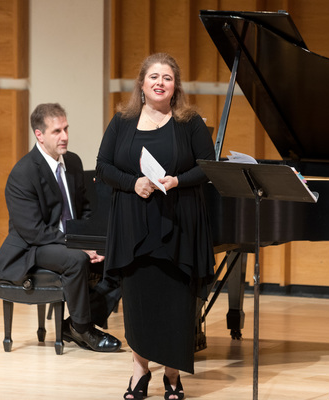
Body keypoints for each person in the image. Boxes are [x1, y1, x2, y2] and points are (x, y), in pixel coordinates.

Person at [96, 53, 216, 400]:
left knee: (177, 302)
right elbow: (102, 165)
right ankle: (139, 373)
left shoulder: (189, 122)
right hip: (134, 225)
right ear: (142, 84)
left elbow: (208, 167)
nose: (160, 82)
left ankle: (173, 376)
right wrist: (133, 183)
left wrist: (177, 180)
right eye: (154, 77)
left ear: (175, 85)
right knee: (139, 302)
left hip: (178, 223)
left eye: (167, 77)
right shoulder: (122, 121)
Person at [0, 103, 122, 353]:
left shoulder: (72, 162)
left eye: (66, 129)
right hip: (34, 247)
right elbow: (34, 231)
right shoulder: (23, 173)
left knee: (119, 256)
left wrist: (92, 242)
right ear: (39, 135)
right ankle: (84, 330)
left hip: (66, 240)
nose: (65, 137)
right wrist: (79, 247)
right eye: (57, 131)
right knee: (75, 260)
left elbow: (84, 209)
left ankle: (75, 323)